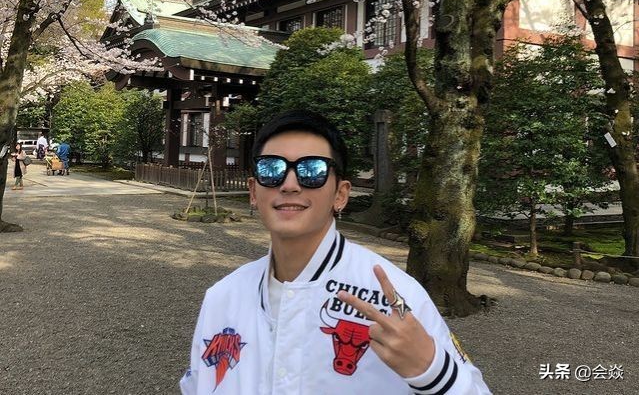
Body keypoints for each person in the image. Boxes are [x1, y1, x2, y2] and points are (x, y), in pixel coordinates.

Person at [180, 111, 490, 394]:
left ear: (340, 194)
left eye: (311, 170)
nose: (289, 184)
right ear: (253, 191)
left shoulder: (396, 296)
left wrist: (431, 370)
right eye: (272, 169)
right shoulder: (223, 297)